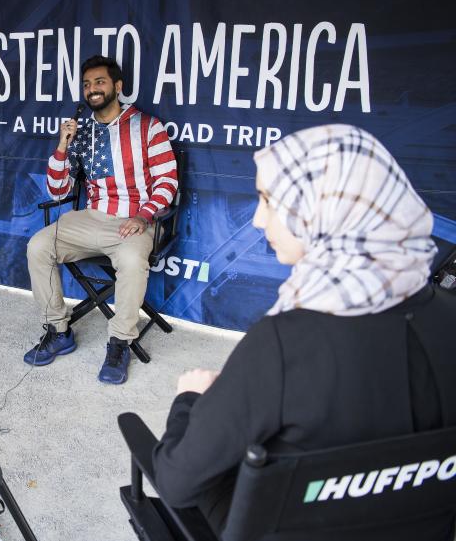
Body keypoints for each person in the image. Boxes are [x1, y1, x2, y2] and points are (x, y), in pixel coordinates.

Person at [152, 124, 456, 540]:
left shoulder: (284, 346)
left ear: (317, 208)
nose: (258, 220)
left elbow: (177, 481)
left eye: (269, 201)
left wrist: (189, 400)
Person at [23, 55, 178, 384]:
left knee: (133, 261)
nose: (92, 89)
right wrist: (63, 145)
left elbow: (167, 182)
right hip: (91, 217)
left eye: (100, 82)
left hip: (133, 220)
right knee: (38, 246)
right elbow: (57, 189)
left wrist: (144, 215)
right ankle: (59, 330)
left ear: (118, 87)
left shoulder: (149, 127)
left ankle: (120, 341)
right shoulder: (81, 133)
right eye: (87, 84)